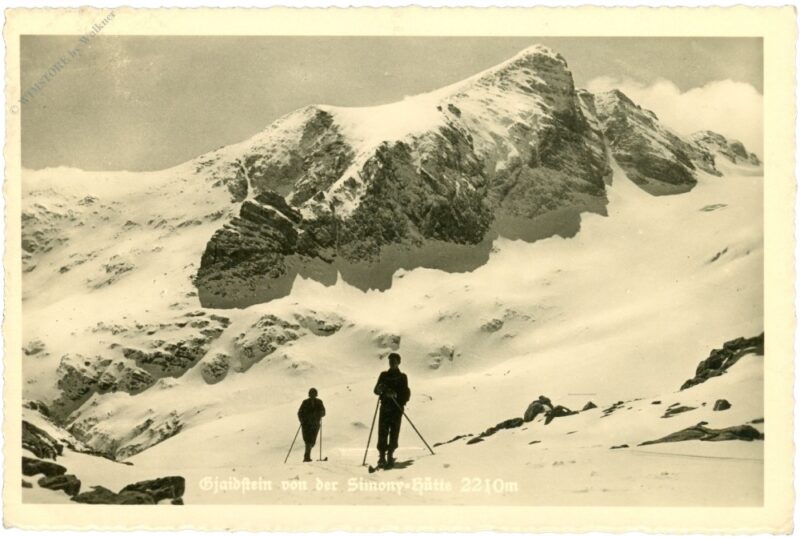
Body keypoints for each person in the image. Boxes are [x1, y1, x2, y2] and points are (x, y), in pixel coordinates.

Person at [373, 353, 410, 468]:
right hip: (385, 408)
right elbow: (375, 390)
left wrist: (395, 395)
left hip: (396, 409)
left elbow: (405, 393)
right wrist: (380, 389)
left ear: (398, 362)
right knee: (382, 432)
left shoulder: (402, 377)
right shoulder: (383, 375)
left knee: (394, 432)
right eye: (390, 361)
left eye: (394, 361)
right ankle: (382, 457)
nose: (392, 363)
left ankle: (390, 455)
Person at [297, 388, 326, 462]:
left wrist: (321, 413)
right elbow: (300, 412)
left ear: (316, 394)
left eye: (314, 393)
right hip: (306, 425)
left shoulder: (319, 402)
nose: (312, 395)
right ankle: (306, 457)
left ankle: (307, 456)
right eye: (311, 393)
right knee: (308, 440)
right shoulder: (305, 402)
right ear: (309, 394)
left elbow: (324, 412)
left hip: (315, 424)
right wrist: (302, 420)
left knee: (312, 442)